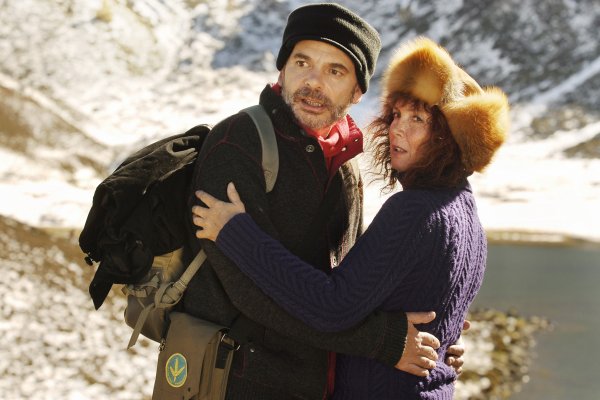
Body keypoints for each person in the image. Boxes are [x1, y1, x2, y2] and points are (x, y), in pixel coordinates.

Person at [192, 36, 510, 399]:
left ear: (450, 138)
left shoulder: (416, 211)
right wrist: (441, 348)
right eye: (396, 115)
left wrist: (236, 234)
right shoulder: (468, 218)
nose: (397, 129)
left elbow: (332, 306)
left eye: (419, 118)